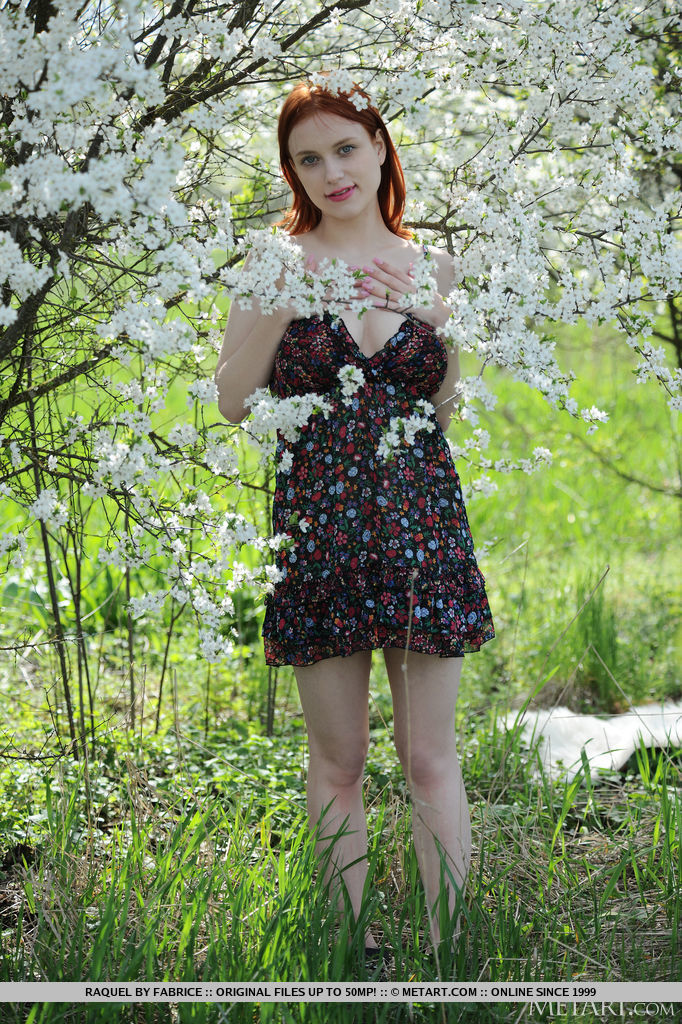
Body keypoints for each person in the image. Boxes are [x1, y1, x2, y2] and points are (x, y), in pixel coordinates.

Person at [215, 79, 495, 964]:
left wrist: (437, 323)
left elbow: (441, 410)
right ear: (292, 173)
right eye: (309, 159)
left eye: (345, 148)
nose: (331, 172)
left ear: (379, 146)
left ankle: (450, 955)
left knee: (429, 757)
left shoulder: (432, 266)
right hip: (319, 534)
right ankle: (350, 952)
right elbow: (231, 400)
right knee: (337, 761)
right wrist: (283, 302)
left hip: (421, 528)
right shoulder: (274, 261)